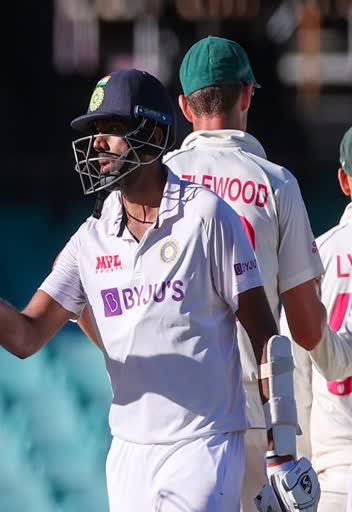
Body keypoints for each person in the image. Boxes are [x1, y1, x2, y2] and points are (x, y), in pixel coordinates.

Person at [0, 68, 317, 511]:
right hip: (129, 452)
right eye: (95, 131)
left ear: (153, 133)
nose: (97, 143)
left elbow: (265, 336)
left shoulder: (207, 216)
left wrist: (282, 449)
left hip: (203, 443)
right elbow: (26, 335)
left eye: (112, 130)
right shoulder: (89, 240)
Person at [159, 35, 330, 511]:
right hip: (261, 412)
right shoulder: (276, 182)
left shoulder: (157, 183)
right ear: (247, 95)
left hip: (178, 416)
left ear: (184, 106)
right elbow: (307, 329)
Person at [282, 126, 352, 511]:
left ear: (343, 180)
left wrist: (302, 466)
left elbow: (293, 381)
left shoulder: (314, 259)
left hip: (331, 476)